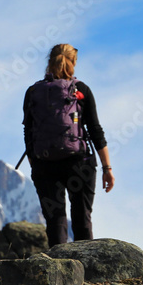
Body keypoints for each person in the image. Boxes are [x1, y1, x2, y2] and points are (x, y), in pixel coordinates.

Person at [23, 43, 114, 246]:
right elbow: (95, 130)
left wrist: (36, 164)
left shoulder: (33, 92)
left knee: (55, 221)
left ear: (49, 62)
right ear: (73, 63)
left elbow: (27, 132)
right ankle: (86, 272)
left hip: (45, 164)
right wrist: (107, 167)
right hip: (79, 162)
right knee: (82, 218)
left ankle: (59, 273)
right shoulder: (80, 90)